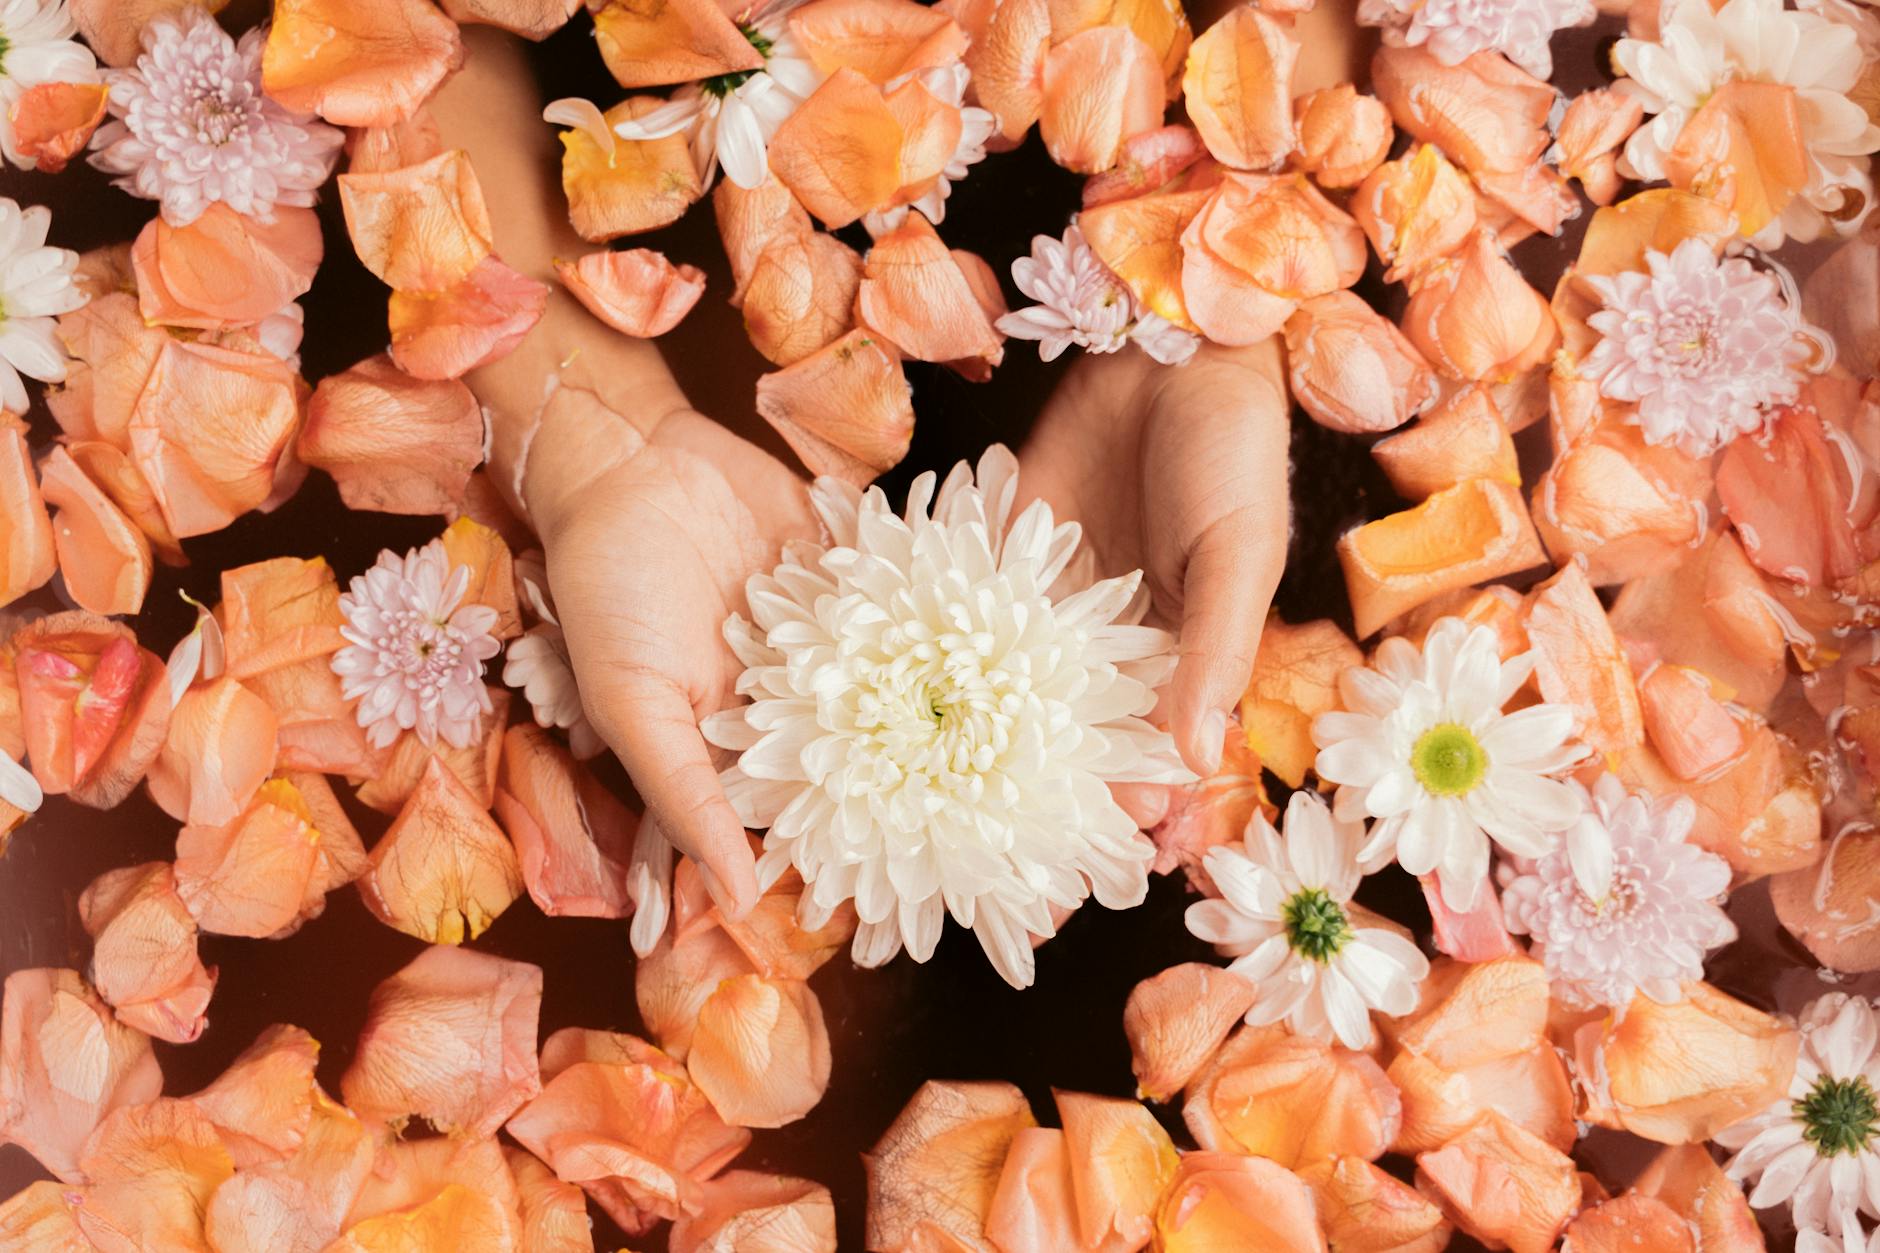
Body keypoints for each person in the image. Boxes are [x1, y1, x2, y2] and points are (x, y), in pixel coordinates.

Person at [433, 28, 1293, 919]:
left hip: (1088, 274)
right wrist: (586, 433)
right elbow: (425, 37)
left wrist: (1204, 318)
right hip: (640, 190)